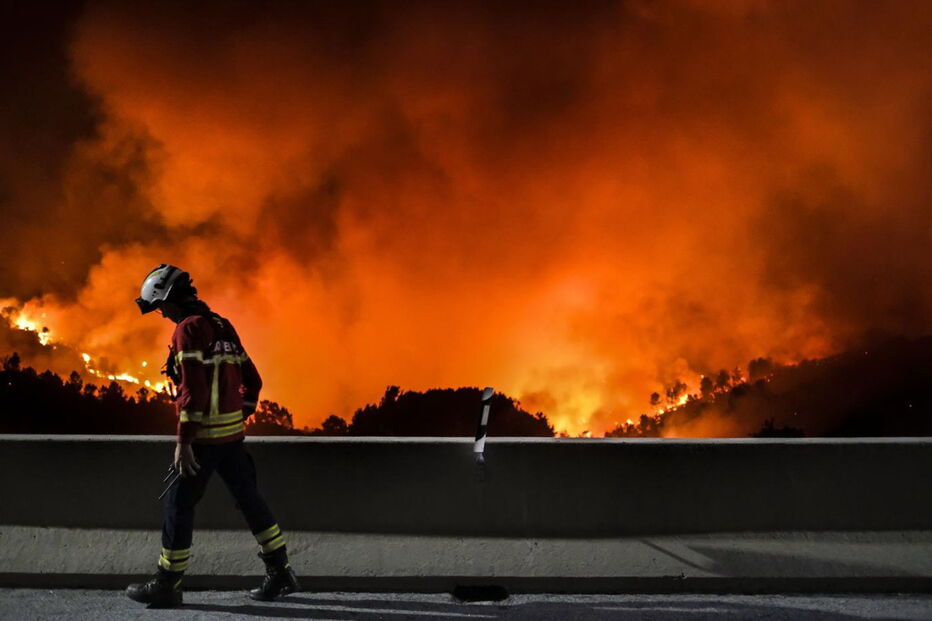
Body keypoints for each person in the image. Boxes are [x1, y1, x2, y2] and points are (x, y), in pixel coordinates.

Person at [126, 264, 299, 608]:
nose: (162, 314)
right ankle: (280, 571)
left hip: (204, 442)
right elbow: (254, 380)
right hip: (232, 439)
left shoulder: (188, 330)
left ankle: (167, 583)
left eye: (161, 306)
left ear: (171, 299)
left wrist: (184, 441)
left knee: (178, 505)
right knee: (250, 502)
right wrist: (240, 413)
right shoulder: (222, 325)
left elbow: (194, 389)